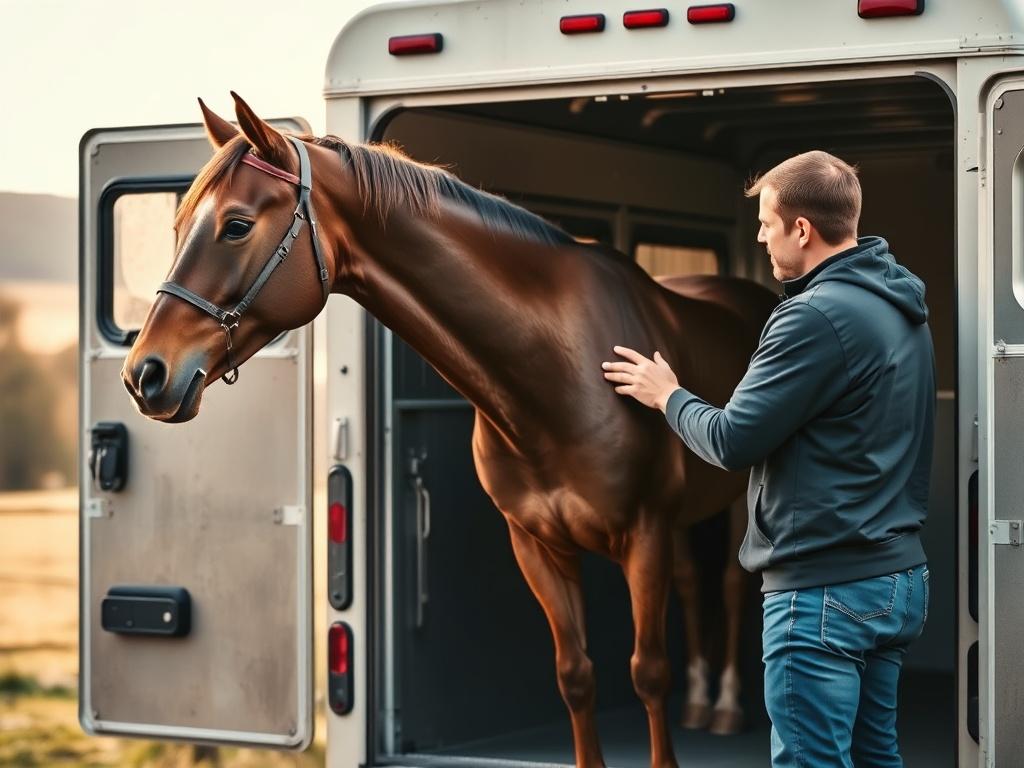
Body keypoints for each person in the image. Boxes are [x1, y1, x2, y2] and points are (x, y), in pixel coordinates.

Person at [602, 150, 934, 768]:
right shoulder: (901, 304)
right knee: (876, 757)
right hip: (897, 581)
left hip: (823, 590)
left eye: (765, 222)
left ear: (801, 229)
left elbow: (732, 441)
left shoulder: (811, 317)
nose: (759, 236)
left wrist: (667, 395)